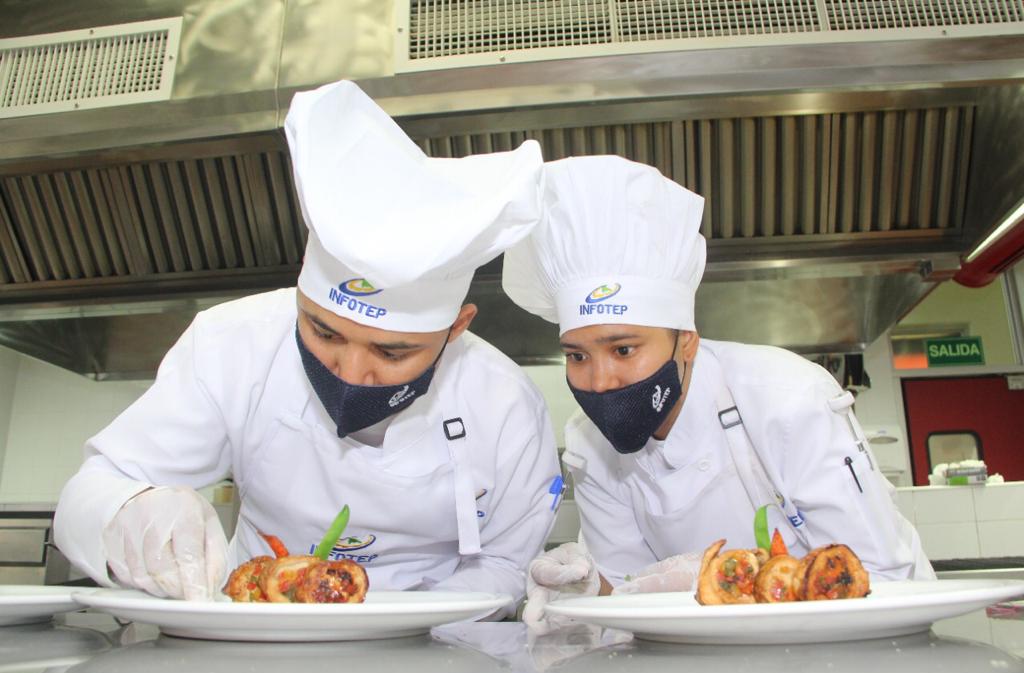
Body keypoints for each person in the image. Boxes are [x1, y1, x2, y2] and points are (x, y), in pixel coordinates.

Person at [54, 80, 561, 616]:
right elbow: (90, 493)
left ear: (456, 328)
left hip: (436, 638)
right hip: (255, 625)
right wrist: (132, 510)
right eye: (324, 332)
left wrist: (406, 627)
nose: (350, 372)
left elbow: (506, 563)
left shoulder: (505, 402)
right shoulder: (232, 344)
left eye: (391, 353)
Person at [501, 155, 934, 632]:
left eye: (624, 349)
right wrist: (591, 591)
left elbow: (874, 575)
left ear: (686, 340)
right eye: (577, 356)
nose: (600, 381)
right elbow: (627, 602)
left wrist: (723, 582)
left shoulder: (786, 398)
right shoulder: (589, 442)